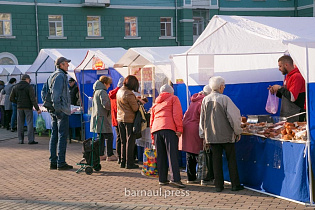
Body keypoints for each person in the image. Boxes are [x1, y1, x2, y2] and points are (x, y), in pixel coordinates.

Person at [199, 76, 243, 192]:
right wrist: (238, 131)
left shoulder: (205, 100)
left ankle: (218, 185)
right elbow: (233, 117)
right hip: (226, 135)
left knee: (216, 161)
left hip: (212, 136)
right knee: (231, 160)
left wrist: (203, 135)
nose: (224, 87)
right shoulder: (225, 99)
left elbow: (202, 119)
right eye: (223, 85)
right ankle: (235, 184)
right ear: (220, 86)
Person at [150, 84, 185, 188]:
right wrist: (179, 129)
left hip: (156, 129)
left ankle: (162, 179)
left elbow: (151, 120)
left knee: (161, 155)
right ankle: (175, 179)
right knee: (172, 154)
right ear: (171, 92)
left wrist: (152, 135)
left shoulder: (156, 103)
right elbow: (177, 114)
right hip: (169, 128)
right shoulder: (173, 98)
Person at [179, 85, 213, 185]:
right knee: (202, 154)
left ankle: (191, 177)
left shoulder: (194, 100)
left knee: (190, 153)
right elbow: (204, 118)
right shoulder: (204, 101)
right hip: (196, 128)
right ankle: (204, 178)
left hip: (187, 128)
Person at [47, 57, 72, 170]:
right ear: (61, 65)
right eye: (66, 64)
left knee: (54, 136)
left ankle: (53, 161)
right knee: (62, 136)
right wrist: (58, 109)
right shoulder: (60, 76)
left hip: (55, 110)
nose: (68, 65)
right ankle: (60, 162)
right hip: (60, 111)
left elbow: (44, 91)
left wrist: (51, 108)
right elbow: (56, 95)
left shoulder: (52, 75)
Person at [268, 55, 306, 122]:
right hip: (287, 115)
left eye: (280, 66)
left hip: (295, 116)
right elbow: (286, 96)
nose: (279, 69)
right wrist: (276, 91)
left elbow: (292, 97)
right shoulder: (288, 77)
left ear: (286, 65)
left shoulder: (297, 76)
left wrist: (279, 88)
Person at [90, 76, 118, 162]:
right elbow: (106, 104)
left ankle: (101, 154)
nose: (109, 86)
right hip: (103, 117)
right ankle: (110, 155)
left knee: (101, 137)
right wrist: (113, 106)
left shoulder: (96, 91)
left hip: (98, 116)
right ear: (105, 83)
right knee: (109, 136)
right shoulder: (102, 92)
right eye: (109, 84)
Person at [10, 74, 41, 144]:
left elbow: (11, 98)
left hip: (19, 107)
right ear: (27, 79)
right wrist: (37, 108)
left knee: (20, 124)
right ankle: (30, 140)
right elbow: (33, 99)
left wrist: (17, 102)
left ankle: (20, 140)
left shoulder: (15, 87)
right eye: (29, 80)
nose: (29, 81)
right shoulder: (29, 87)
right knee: (30, 123)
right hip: (28, 107)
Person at [116, 75, 140, 169]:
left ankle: (123, 161)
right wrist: (139, 102)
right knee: (130, 141)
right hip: (129, 119)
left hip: (120, 118)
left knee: (123, 141)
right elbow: (135, 108)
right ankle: (129, 163)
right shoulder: (129, 94)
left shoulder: (120, 91)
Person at [108, 77, 124, 164]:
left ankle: (119, 157)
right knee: (123, 138)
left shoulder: (112, 93)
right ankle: (122, 157)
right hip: (121, 118)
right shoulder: (121, 93)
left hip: (115, 118)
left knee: (118, 137)